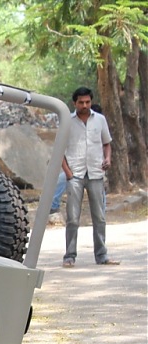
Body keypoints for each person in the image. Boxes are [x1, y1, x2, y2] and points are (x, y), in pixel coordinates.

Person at [62, 88, 118, 267]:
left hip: (95, 173)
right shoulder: (67, 122)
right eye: (81, 102)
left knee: (99, 217)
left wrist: (107, 159)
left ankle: (102, 255)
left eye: (87, 102)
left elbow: (106, 144)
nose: (85, 105)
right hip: (75, 174)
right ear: (75, 103)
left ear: (91, 101)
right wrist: (69, 174)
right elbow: (59, 151)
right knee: (72, 217)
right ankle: (69, 256)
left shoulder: (100, 120)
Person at [51, 103, 104, 214]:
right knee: (61, 181)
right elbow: (61, 147)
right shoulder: (71, 122)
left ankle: (102, 209)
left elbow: (105, 144)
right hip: (75, 166)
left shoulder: (99, 124)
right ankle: (53, 205)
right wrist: (68, 170)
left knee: (98, 188)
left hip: (92, 167)